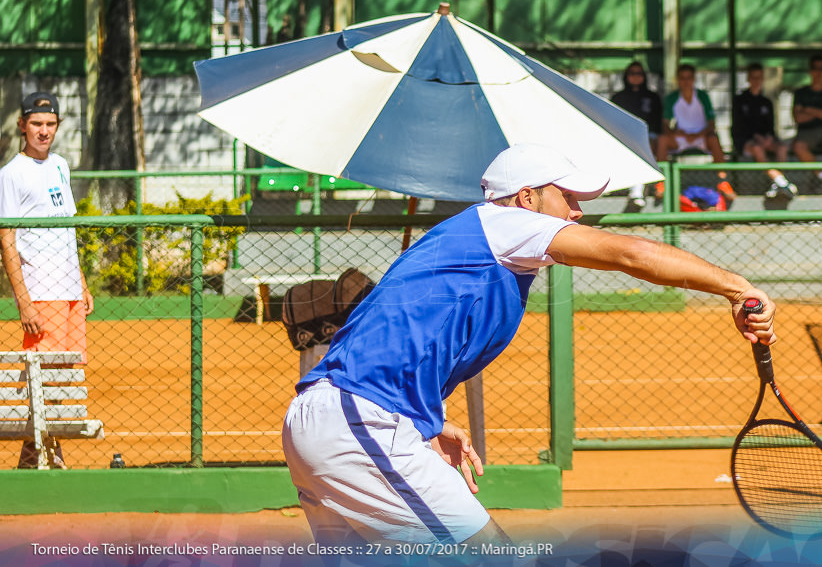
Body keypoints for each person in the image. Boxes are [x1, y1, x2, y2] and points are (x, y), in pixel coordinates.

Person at [282, 143, 778, 548]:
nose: (578, 212)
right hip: (358, 422)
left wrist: (427, 418)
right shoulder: (502, 226)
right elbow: (632, 254)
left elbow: (399, 334)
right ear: (526, 199)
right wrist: (739, 288)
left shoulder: (468, 242)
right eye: (567, 198)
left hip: (341, 418)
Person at [0, 92, 95, 469]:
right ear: (23, 125)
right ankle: (37, 454)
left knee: (65, 376)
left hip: (69, 291)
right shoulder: (10, 174)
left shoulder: (60, 166)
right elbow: (6, 240)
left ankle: (43, 452)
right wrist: (23, 300)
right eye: (36, 124)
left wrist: (82, 282)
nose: (44, 131)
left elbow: (67, 229)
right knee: (43, 377)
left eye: (50, 124)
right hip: (41, 293)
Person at [657, 64, 734, 203]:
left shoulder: (703, 96)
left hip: (702, 137)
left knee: (714, 139)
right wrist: (677, 133)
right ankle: (661, 182)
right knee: (662, 139)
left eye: (689, 78)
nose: (686, 82)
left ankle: (723, 181)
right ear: (677, 80)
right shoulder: (672, 98)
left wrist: (699, 134)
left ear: (694, 79)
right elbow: (665, 124)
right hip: (681, 137)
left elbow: (711, 123)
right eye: (682, 78)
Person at [731, 62, 797, 201]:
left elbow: (770, 127)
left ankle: (776, 183)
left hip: (764, 140)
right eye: (753, 77)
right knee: (757, 148)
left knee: (782, 147)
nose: (756, 81)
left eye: (759, 77)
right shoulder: (740, 100)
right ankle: (782, 182)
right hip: (745, 141)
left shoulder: (766, 102)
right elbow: (738, 127)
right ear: (748, 79)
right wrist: (756, 137)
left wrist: (768, 138)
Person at [610, 61, 662, 208]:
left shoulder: (652, 97)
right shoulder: (618, 98)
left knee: (645, 144)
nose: (635, 77)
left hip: (647, 138)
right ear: (626, 76)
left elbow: (658, 123)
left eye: (639, 73)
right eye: (632, 73)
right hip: (624, 138)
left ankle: (637, 190)